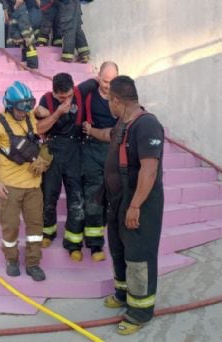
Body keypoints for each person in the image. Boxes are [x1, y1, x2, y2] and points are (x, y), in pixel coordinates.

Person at [82, 76, 165, 335]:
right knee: (118, 248)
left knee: (139, 255)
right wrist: (91, 131)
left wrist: (136, 206)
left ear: (116, 100)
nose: (108, 105)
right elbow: (109, 135)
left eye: (109, 101)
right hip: (118, 201)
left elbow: (149, 170)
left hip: (139, 203)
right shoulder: (123, 124)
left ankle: (140, 311)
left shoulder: (148, 125)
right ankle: (122, 292)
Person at [0, 81, 50, 282]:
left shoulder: (29, 117)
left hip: (34, 186)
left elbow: (40, 138)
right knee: (10, 226)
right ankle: (11, 260)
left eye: (27, 108)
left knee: (35, 228)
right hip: (9, 188)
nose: (24, 113)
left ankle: (33, 263)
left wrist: (43, 160)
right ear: (10, 106)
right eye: (20, 109)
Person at [35, 73, 86, 262]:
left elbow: (101, 80)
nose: (65, 100)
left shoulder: (82, 93)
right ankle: (48, 233)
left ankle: (73, 243)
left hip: (76, 151)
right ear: (54, 92)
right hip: (53, 151)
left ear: (73, 88)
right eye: (61, 97)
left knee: (77, 199)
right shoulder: (46, 100)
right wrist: (57, 113)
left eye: (68, 96)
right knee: (48, 195)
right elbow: (39, 129)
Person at [77, 61, 119, 262]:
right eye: (104, 80)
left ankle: (99, 230)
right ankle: (95, 245)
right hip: (91, 150)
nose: (107, 85)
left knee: (110, 196)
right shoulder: (89, 94)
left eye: (112, 81)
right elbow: (77, 91)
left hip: (113, 152)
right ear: (98, 76)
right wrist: (91, 82)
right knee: (93, 195)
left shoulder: (120, 99)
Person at [0, 0, 39, 69]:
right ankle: (28, 63)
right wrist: (5, 9)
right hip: (13, 9)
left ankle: (33, 65)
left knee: (27, 36)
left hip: (20, 9)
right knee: (19, 37)